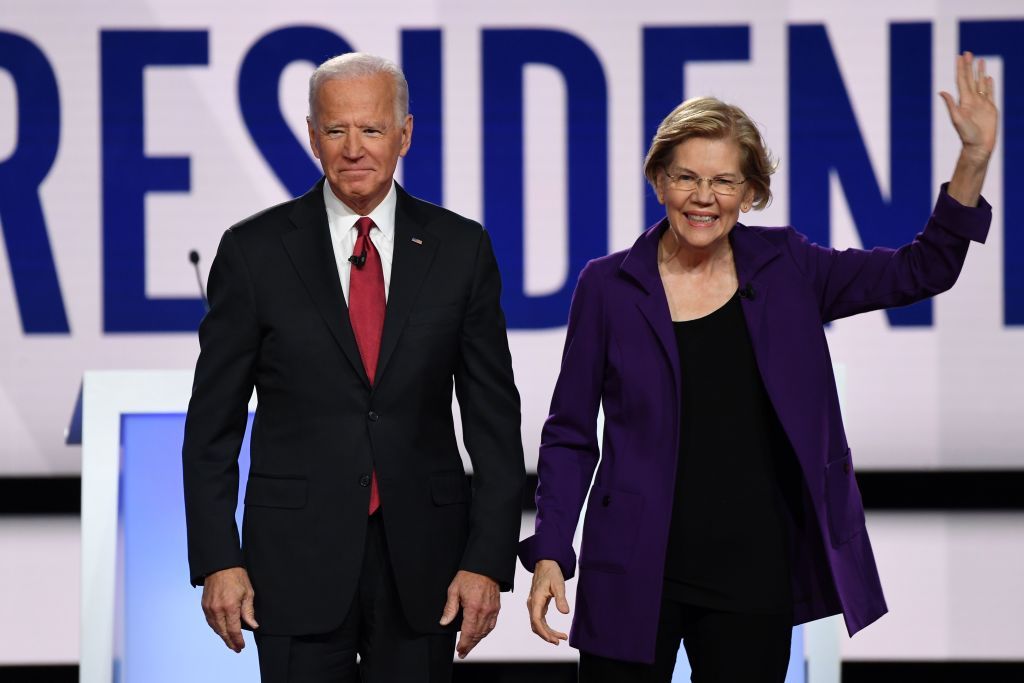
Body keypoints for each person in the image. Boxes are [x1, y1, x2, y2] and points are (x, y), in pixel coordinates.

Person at [519, 52, 996, 682]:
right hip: (632, 567)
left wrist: (972, 160)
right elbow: (571, 433)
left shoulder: (789, 267)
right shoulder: (608, 286)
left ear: (751, 192)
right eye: (687, 178)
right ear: (659, 180)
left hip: (752, 573)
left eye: (723, 182)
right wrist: (552, 548)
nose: (703, 198)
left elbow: (923, 268)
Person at [182, 52, 525, 682]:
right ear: (312, 137)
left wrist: (488, 559)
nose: (353, 149)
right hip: (290, 564)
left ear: (405, 134)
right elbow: (211, 425)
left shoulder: (460, 249)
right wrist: (216, 558)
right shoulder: (254, 253)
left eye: (371, 130)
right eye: (335, 130)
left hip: (427, 564)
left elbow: (494, 422)